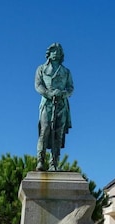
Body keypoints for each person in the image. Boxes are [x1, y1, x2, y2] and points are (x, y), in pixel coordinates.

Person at [35, 43, 74, 171]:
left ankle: (54, 163)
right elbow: (38, 85)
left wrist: (63, 93)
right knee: (45, 131)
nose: (56, 53)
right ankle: (40, 161)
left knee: (58, 134)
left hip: (61, 105)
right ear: (49, 53)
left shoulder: (66, 72)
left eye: (58, 51)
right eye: (53, 50)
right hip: (47, 104)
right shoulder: (41, 69)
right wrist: (48, 93)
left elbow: (71, 88)